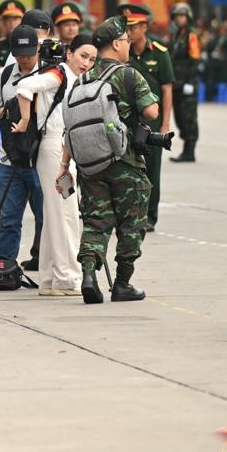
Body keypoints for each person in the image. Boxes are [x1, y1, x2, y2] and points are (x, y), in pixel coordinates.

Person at [59, 16, 158, 304]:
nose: (128, 45)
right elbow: (151, 112)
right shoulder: (128, 75)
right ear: (116, 44)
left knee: (95, 221)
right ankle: (123, 283)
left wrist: (65, 166)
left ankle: (89, 276)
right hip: (125, 162)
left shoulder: (83, 79)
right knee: (132, 223)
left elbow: (72, 124)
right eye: (126, 40)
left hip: (90, 164)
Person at [15, 34, 94, 294]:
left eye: (92, 59)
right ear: (69, 53)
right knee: (65, 214)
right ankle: (67, 278)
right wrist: (25, 120)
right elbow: (24, 86)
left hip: (63, 149)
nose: (86, 63)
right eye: (83, 56)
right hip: (55, 150)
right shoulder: (58, 74)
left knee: (55, 215)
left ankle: (49, 280)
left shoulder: (73, 78)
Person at [0, 26, 44, 266]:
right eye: (20, 54)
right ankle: (4, 268)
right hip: (9, 159)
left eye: (29, 54)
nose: (25, 59)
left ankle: (47, 264)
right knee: (8, 219)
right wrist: (0, 112)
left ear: (38, 49)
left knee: (46, 218)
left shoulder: (50, 73)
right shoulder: (3, 76)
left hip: (41, 160)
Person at [117, 4, 174, 231]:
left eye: (133, 27)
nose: (129, 32)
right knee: (126, 169)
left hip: (152, 120)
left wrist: (166, 123)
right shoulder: (122, 52)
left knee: (151, 170)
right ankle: (129, 214)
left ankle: (150, 216)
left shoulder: (159, 52)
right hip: (126, 120)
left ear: (144, 27)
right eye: (127, 28)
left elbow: (167, 89)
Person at [168, 2, 201, 162]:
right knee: (179, 117)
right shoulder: (176, 35)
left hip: (187, 83)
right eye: (177, 16)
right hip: (177, 83)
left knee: (189, 118)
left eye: (182, 16)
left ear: (188, 17)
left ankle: (189, 151)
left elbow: (194, 60)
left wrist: (189, 82)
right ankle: (186, 148)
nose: (179, 19)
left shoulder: (191, 35)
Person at [0, 0, 26, 78]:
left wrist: (2, 70)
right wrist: (17, 71)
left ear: (22, 20)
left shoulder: (28, 42)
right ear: (3, 22)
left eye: (15, 18)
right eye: (7, 19)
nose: (11, 23)